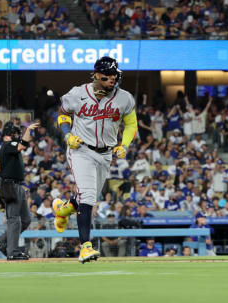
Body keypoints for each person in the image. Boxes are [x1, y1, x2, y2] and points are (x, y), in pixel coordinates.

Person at [52, 56, 138, 263]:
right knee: (88, 196)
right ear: (97, 75)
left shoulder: (124, 98)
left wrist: (124, 145)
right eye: (108, 76)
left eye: (115, 76)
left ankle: (62, 210)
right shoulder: (78, 93)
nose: (112, 79)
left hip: (106, 153)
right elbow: (63, 113)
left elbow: (131, 124)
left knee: (86, 198)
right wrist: (67, 134)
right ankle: (85, 247)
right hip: (81, 149)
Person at [0, 121, 40, 261]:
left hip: (18, 185)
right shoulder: (7, 145)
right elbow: (22, 145)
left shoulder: (11, 146)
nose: (17, 136)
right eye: (15, 134)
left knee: (25, 220)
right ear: (8, 135)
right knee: (14, 219)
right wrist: (28, 130)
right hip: (9, 186)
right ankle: (12, 251)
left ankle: (2, 241)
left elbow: (21, 145)